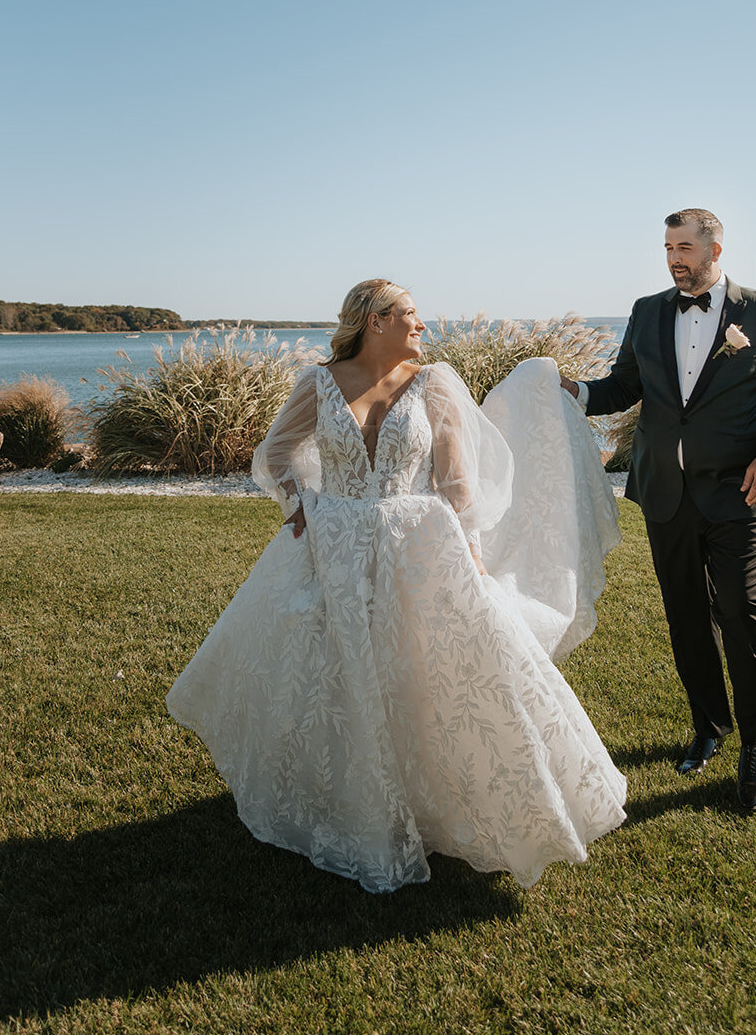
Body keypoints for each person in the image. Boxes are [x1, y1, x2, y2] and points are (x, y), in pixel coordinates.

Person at [168, 279, 626, 894]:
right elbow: (275, 454)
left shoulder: (434, 383)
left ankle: (439, 803)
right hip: (335, 547)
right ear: (375, 321)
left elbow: (457, 484)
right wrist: (299, 509)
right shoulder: (317, 383)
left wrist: (470, 554)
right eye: (411, 314)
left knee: (428, 668)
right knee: (336, 667)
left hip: (420, 547)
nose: (422, 325)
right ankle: (347, 801)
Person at [563, 210, 756, 813]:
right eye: (668, 248)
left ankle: (753, 742)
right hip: (665, 492)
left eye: (684, 247)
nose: (674, 258)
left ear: (715, 250)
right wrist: (578, 393)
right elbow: (626, 385)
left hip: (740, 491)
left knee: (741, 609)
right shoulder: (648, 311)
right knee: (685, 613)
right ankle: (709, 725)